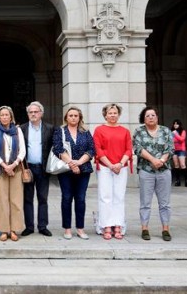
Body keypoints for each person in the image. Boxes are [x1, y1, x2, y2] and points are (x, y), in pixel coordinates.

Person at [51, 106, 95, 240]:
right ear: (66, 118)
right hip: (65, 170)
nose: (73, 117)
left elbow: (91, 149)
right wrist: (71, 163)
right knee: (67, 198)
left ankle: (80, 229)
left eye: (76, 115)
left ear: (80, 117)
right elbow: (57, 148)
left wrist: (79, 163)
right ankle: (67, 229)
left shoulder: (86, 132)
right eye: (71, 115)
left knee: (80, 199)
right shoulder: (60, 131)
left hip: (84, 169)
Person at [133, 107, 174, 241]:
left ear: (157, 117)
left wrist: (161, 160)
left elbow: (170, 148)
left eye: (153, 115)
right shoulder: (139, 131)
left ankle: (165, 229)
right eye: (147, 115)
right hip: (146, 170)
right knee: (145, 202)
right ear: (143, 118)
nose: (150, 117)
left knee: (165, 203)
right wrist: (152, 160)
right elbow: (138, 148)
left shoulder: (165, 130)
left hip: (164, 170)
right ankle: (145, 228)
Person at [93, 103, 132, 240]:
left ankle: (118, 225)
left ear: (119, 114)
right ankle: (106, 225)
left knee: (119, 197)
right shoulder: (99, 130)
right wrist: (110, 165)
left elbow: (128, 149)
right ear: (105, 115)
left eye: (115, 113)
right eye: (110, 113)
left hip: (121, 166)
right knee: (105, 196)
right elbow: (98, 149)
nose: (112, 115)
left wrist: (120, 163)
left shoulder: (125, 131)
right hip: (105, 167)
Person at [0, 106, 27, 242]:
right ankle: (4, 230)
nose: (4, 117)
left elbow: (22, 150)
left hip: (15, 169)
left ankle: (14, 229)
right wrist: (4, 165)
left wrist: (13, 164)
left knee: (16, 200)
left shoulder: (17, 131)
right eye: (2, 115)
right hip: (1, 170)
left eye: (7, 115)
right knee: (2, 200)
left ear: (11, 117)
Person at [20, 101, 54, 237]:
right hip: (27, 168)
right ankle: (29, 226)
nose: (33, 114)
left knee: (43, 198)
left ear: (41, 113)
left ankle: (42, 226)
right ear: (28, 114)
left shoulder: (50, 128)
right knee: (27, 198)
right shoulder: (21, 129)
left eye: (36, 112)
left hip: (42, 168)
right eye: (30, 112)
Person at [171, 119, 187, 187]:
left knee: (182, 165)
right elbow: (171, 141)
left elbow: (182, 139)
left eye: (177, 124)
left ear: (179, 125)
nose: (175, 125)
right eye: (174, 124)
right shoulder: (172, 132)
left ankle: (186, 181)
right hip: (174, 150)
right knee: (176, 165)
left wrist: (175, 134)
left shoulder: (183, 131)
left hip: (181, 150)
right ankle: (177, 181)